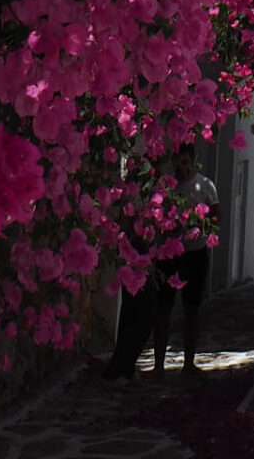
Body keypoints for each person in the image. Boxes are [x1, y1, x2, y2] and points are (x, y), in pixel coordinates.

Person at [105, 159, 220, 381]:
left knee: (185, 309)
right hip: (158, 258)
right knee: (153, 311)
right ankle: (140, 365)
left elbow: (216, 217)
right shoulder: (159, 191)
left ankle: (180, 363)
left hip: (189, 254)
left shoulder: (203, 186)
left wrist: (195, 227)